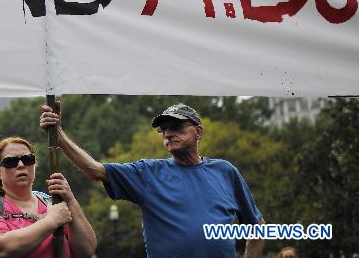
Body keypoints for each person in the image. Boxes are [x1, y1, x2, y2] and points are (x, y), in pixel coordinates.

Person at [40, 103, 265, 258]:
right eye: (163, 130)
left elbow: (257, 226)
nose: (168, 134)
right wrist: (58, 134)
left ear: (198, 132)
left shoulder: (225, 171)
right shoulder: (148, 173)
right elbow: (95, 170)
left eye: (176, 127)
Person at [0, 136, 96, 258]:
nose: (21, 165)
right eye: (11, 161)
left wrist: (70, 200)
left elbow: (85, 250)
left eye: (27, 159)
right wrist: (51, 222)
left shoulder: (53, 204)